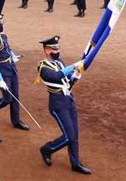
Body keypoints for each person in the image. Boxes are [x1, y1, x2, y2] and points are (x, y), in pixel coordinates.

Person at [37, 36, 92, 175]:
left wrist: (75, 76)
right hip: (57, 104)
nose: (58, 51)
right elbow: (56, 77)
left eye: (58, 48)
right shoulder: (42, 67)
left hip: (69, 100)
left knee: (75, 134)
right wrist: (73, 67)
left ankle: (75, 163)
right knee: (69, 136)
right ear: (47, 50)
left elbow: (66, 79)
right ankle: (47, 149)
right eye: (55, 49)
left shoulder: (59, 62)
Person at [0, 15, 29, 131]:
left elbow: (7, 49)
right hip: (2, 70)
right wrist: (0, 79)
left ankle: (16, 120)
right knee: (7, 98)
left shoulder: (4, 37)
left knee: (15, 96)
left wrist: (13, 56)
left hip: (11, 67)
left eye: (1, 22)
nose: (1, 25)